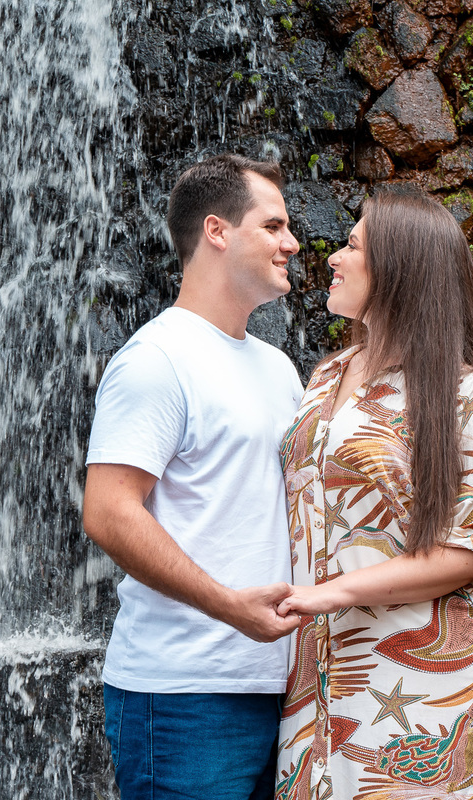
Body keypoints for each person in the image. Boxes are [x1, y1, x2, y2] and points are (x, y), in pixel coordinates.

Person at [273, 188, 473, 799]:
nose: (331, 257)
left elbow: (466, 552)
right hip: (318, 678)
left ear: (399, 268)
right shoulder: (325, 375)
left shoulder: (459, 392)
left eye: (352, 246)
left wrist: (326, 594)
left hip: (428, 691)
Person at [82, 154, 304, 800]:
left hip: (276, 685)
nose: (291, 243)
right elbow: (109, 511)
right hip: (182, 695)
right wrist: (230, 608)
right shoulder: (157, 359)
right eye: (273, 226)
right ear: (217, 231)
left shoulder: (279, 369)